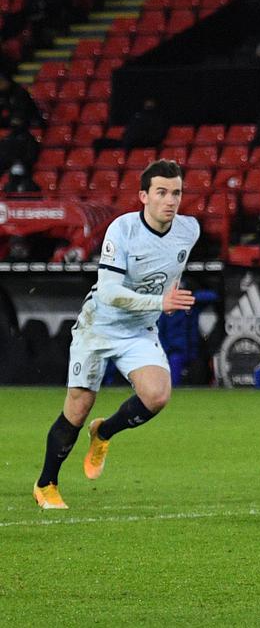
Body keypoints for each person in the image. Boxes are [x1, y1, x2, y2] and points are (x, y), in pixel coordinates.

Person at [32, 160, 200, 509]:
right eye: (162, 193)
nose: (170, 201)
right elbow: (108, 291)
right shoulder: (122, 230)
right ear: (143, 196)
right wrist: (160, 300)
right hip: (100, 326)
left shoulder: (190, 230)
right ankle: (46, 483)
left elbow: (170, 266)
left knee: (157, 396)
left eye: (177, 193)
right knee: (78, 407)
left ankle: (103, 432)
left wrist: (167, 292)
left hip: (139, 329)